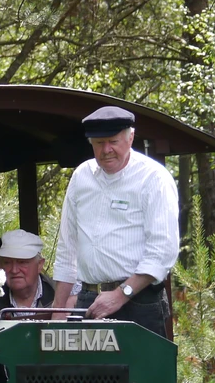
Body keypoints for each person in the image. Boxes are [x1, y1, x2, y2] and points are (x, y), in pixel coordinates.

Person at [51, 106, 178, 338]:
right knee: (83, 364)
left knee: (140, 364)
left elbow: (162, 251)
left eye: (113, 141)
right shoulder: (81, 176)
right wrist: (58, 310)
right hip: (88, 300)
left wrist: (120, 295)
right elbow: (67, 247)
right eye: (99, 143)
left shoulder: (153, 177)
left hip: (139, 301)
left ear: (130, 137)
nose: (106, 150)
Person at [0, 229, 57, 320]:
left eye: (22, 262)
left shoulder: (61, 297)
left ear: (40, 265)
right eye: (7, 262)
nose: (14, 270)